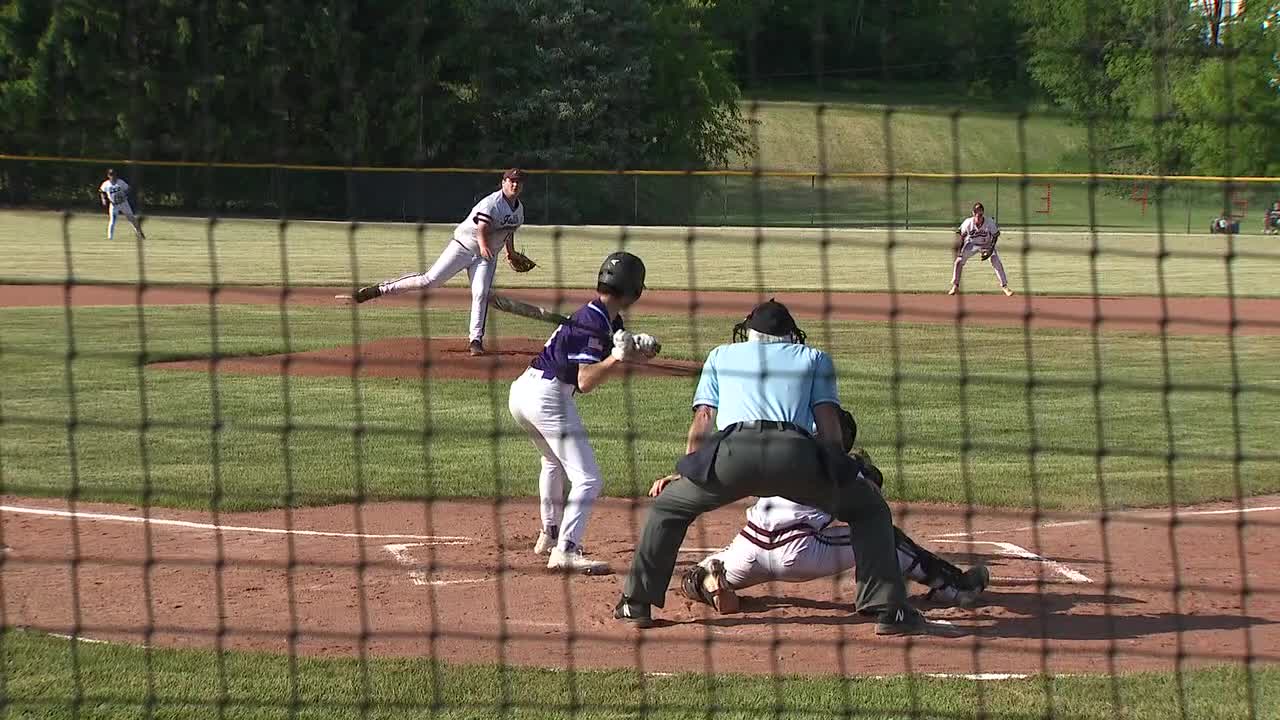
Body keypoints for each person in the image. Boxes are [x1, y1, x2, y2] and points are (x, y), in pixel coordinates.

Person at [613, 299, 959, 635]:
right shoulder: (814, 358)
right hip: (795, 454)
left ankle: (636, 604)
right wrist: (845, 472)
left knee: (669, 509)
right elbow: (829, 428)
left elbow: (703, 420)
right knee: (870, 511)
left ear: (749, 333)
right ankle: (889, 610)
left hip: (732, 454)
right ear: (790, 334)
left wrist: (689, 471)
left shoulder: (721, 355)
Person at [677, 448, 990, 613]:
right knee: (885, 539)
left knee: (697, 572)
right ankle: (955, 587)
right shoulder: (844, 469)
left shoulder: (781, 457)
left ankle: (707, 583)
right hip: (801, 553)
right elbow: (871, 505)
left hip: (748, 551)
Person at [508, 252, 660, 574]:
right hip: (547, 398)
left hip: (524, 392)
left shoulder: (604, 318)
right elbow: (586, 380)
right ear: (634, 290)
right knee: (588, 479)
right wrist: (618, 357)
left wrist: (640, 350)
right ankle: (566, 550)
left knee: (552, 461)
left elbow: (615, 353)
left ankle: (550, 535)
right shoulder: (593, 321)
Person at [353, 168, 529, 356]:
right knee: (429, 281)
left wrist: (510, 252)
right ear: (503, 182)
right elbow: (482, 227)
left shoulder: (519, 210)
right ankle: (380, 289)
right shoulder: (492, 203)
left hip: (485, 258)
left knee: (481, 294)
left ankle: (475, 340)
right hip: (462, 247)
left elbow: (509, 230)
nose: (514, 184)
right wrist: (484, 245)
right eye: (511, 180)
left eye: (518, 181)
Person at [949, 201, 1011, 297]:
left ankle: (1005, 287)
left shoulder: (989, 222)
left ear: (983, 213)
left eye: (980, 212)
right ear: (973, 213)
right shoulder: (968, 222)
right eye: (976, 212)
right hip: (971, 244)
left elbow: (995, 235)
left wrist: (991, 249)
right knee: (958, 261)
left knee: (996, 261)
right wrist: (960, 250)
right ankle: (955, 286)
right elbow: (960, 235)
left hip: (986, 244)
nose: (978, 214)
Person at [98, 168, 146, 241]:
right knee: (112, 220)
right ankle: (110, 238)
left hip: (123, 203)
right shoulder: (106, 184)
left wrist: (124, 195)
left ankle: (139, 233)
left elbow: (128, 189)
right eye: (111, 175)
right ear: (108, 175)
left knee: (131, 218)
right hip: (113, 205)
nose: (112, 176)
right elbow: (101, 191)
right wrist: (103, 199)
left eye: (113, 174)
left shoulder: (120, 182)